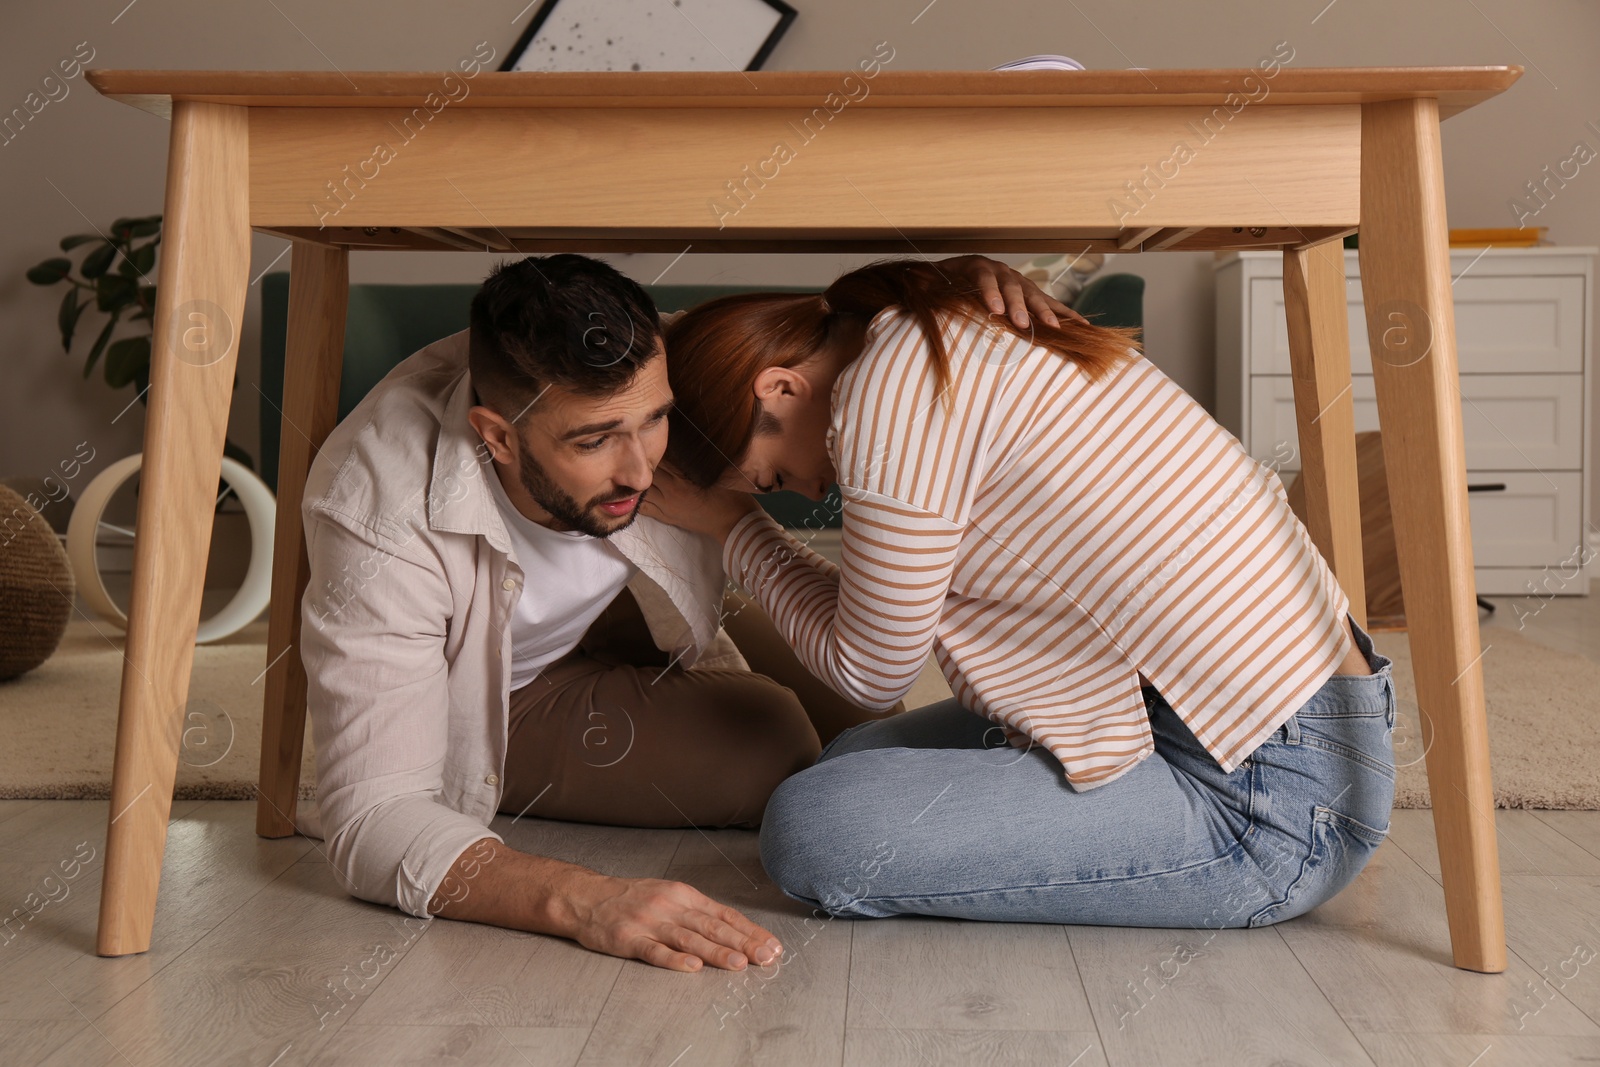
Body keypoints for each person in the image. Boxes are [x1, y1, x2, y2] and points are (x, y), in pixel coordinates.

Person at [295, 251, 1074, 975]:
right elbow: (371, 817)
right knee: (776, 746)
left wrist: (953, 288)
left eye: (654, 419)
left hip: (647, 606)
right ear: (497, 436)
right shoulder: (376, 514)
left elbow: (830, 337)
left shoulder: (656, 369)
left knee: (866, 707)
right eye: (596, 440)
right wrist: (582, 900)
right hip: (507, 684)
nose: (641, 467)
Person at [646, 257, 1397, 929]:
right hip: (1242, 722)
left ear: (781, 386)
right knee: (846, 759)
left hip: (1269, 801)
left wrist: (731, 523)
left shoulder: (887, 393)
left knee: (811, 828)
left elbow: (872, 672)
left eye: (771, 475)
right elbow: (874, 626)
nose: (806, 492)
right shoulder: (929, 330)